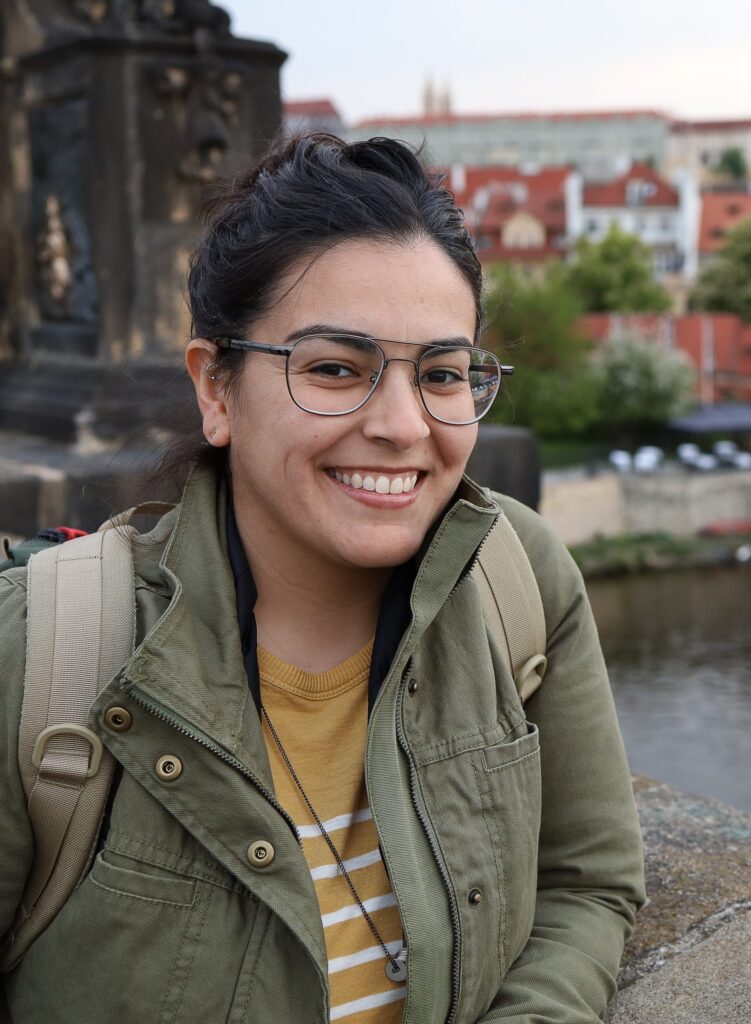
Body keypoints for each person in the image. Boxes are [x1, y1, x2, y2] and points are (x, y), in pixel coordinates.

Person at [0, 134, 645, 1023]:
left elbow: (587, 885)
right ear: (217, 390)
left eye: (443, 374)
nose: (401, 424)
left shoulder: (518, 577)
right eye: (336, 369)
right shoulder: (38, 648)